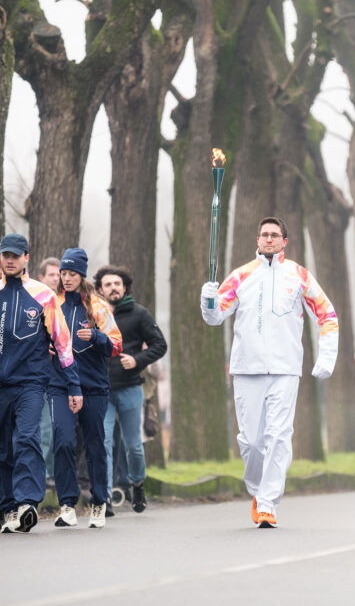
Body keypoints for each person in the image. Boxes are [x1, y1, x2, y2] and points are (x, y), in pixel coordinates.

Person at [201, 216, 338, 529]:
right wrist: (208, 300)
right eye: (264, 234)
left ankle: (267, 504)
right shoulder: (241, 276)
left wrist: (326, 359)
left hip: (285, 368)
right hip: (246, 368)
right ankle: (258, 489)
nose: (269, 239)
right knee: (250, 441)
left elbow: (327, 315)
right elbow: (215, 316)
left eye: (275, 235)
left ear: (284, 241)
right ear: (257, 239)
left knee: (278, 435)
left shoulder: (299, 275)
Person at [0, 234, 81, 533]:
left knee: (26, 437)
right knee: (3, 448)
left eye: (16, 255)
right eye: (5, 255)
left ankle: (27, 503)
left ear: (26, 258)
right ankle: (9, 506)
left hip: (32, 383)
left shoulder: (43, 295)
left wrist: (73, 386)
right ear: (0, 259)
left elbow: (62, 343)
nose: (10, 260)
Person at [51, 248, 122, 529]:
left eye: (72, 274)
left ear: (81, 275)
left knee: (95, 445)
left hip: (93, 386)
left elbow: (116, 344)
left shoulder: (97, 306)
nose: (67, 279)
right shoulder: (52, 303)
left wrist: (96, 336)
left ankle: (98, 502)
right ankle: (67, 504)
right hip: (60, 385)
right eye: (63, 274)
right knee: (63, 441)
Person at [96, 265, 167, 515]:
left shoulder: (139, 314)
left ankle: (137, 484)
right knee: (103, 443)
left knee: (133, 446)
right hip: (102, 390)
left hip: (129, 389)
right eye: (108, 284)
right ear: (100, 289)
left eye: (117, 284)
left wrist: (138, 360)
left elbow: (160, 345)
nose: (113, 288)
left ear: (124, 287)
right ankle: (103, 498)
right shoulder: (94, 314)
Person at [37, 257, 61, 484]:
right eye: (51, 274)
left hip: (61, 378)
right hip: (39, 376)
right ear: (41, 277)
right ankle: (41, 475)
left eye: (58, 274)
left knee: (56, 430)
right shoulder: (35, 301)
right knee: (44, 430)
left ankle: (52, 474)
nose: (56, 278)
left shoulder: (65, 302)